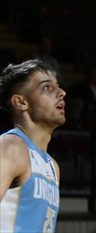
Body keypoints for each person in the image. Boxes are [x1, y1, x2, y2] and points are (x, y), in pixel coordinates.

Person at [0, 59, 65, 232]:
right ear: (21, 102)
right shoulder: (10, 147)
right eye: (46, 87)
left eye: (58, 86)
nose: (61, 93)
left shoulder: (52, 167)